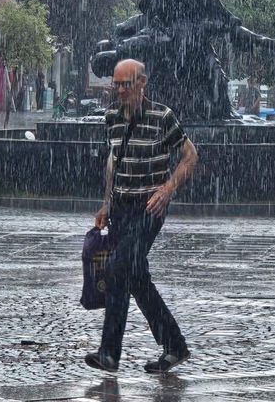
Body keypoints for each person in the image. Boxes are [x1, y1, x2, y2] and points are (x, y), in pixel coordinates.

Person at [85, 59, 198, 374]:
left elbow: (191, 155)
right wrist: (106, 204)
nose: (120, 90)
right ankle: (172, 345)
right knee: (134, 276)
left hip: (150, 207)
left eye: (126, 83)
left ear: (142, 82)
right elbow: (113, 162)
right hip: (121, 207)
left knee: (119, 266)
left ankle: (110, 352)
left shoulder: (163, 117)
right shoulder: (111, 117)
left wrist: (169, 188)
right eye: (116, 84)